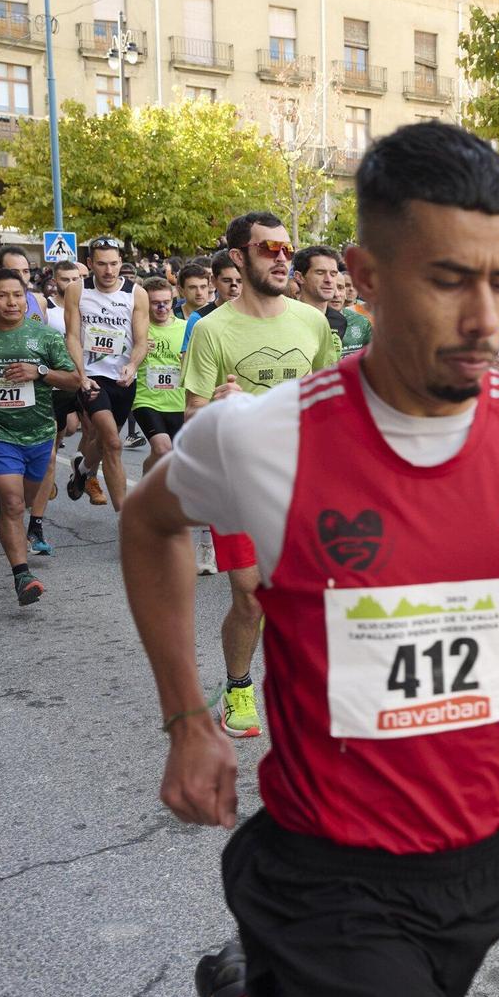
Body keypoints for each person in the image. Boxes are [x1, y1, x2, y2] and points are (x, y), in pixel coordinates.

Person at [123, 122, 499, 997]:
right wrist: (187, 715)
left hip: (491, 848)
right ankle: (259, 992)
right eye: (449, 279)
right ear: (363, 276)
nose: (486, 316)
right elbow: (145, 522)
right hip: (331, 866)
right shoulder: (260, 437)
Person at [181, 211, 342, 739]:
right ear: (238, 256)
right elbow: (192, 416)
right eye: (268, 248)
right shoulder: (211, 329)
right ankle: (239, 685)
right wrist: (219, 407)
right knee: (250, 598)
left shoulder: (311, 322)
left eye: (286, 248)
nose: (281, 257)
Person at [0, 268, 81, 606]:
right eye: (2, 296)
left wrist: (39, 372)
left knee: (24, 497)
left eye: (17, 295)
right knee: (14, 504)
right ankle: (22, 575)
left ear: (27, 298)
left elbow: (73, 379)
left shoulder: (46, 336)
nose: (11, 302)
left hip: (38, 432)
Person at [61, 236, 149, 512]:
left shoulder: (136, 293)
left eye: (113, 264)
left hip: (123, 378)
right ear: (90, 264)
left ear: (121, 262)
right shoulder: (78, 290)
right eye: (101, 264)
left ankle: (83, 468)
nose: (109, 271)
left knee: (103, 442)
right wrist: (80, 374)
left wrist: (132, 366)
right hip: (91, 376)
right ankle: (125, 520)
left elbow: (142, 340)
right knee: (112, 441)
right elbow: (73, 336)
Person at [132, 275, 189, 470]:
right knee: (163, 448)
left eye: (166, 302)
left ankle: (147, 485)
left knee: (172, 456)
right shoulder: (137, 329)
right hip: (146, 399)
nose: (162, 308)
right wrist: (136, 348)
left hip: (178, 401)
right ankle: (145, 493)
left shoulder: (187, 328)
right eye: (155, 303)